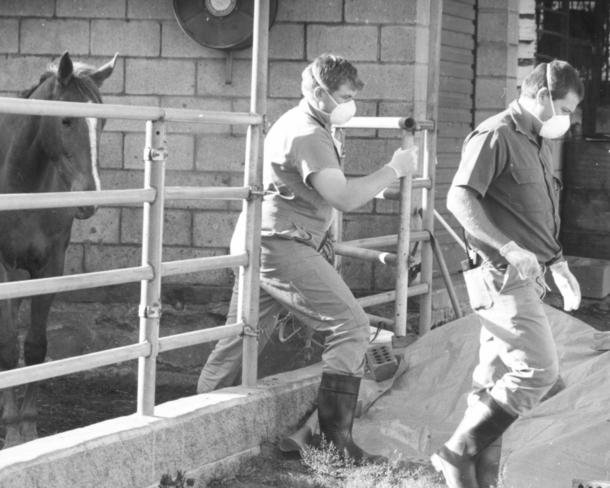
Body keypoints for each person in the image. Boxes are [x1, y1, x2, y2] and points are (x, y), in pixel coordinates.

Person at [197, 53, 418, 463]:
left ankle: (192, 423)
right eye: (344, 96)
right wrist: (395, 169)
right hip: (281, 245)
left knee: (239, 338)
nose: (350, 105)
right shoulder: (309, 134)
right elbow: (345, 197)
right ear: (319, 92)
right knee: (351, 326)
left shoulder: (306, 122)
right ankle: (333, 445)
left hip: (264, 240)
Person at [431, 59, 584, 487]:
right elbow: (459, 198)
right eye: (566, 109)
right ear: (542, 96)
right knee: (539, 370)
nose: (567, 120)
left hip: (527, 276)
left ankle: (477, 479)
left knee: (493, 381)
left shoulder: (537, 139)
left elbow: (529, 211)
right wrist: (508, 247)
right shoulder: (497, 134)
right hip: (500, 274)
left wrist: (558, 263)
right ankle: (455, 453)